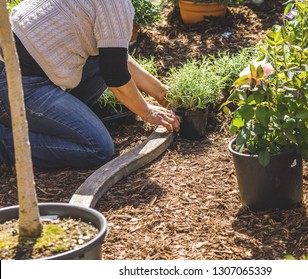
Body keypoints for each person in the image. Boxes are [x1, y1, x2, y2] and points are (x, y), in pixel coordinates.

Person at [0, 0, 180, 169]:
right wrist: (146, 111)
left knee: (103, 55)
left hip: (23, 68)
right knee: (98, 147)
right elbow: (115, 76)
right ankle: (4, 142)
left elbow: (116, 57)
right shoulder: (116, 5)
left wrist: (162, 94)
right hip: (16, 83)